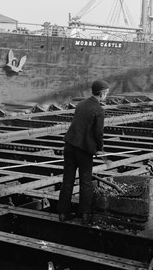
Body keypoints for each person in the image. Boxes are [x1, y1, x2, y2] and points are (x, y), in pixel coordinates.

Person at [57, 79, 110, 224]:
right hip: (84, 150)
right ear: (102, 93)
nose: (107, 95)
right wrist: (99, 149)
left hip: (69, 146)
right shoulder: (99, 110)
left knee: (67, 181)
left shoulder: (80, 104)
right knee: (85, 182)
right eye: (106, 93)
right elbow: (98, 133)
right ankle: (85, 215)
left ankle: (63, 213)